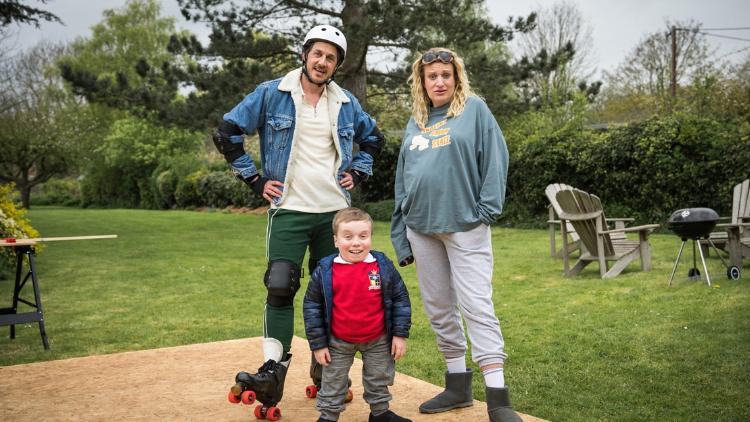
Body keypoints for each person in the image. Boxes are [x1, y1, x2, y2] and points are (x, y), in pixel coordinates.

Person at [213, 25, 387, 413]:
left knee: (333, 294)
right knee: (281, 286)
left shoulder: (344, 103)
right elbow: (227, 134)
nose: (322, 62)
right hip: (289, 209)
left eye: (331, 58)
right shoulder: (271, 93)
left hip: (333, 214)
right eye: (318, 54)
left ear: (336, 65)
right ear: (305, 54)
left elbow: (374, 139)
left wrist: (357, 172)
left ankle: (327, 372)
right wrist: (255, 180)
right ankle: (273, 372)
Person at [390, 47, 522, 422]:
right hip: (421, 229)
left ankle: (498, 398)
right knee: (438, 309)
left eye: (445, 75)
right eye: (432, 76)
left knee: (477, 305)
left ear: (456, 77)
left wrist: (486, 211)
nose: (439, 81)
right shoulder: (416, 120)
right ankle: (456, 386)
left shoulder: (474, 110)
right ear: (422, 81)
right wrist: (402, 234)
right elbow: (404, 179)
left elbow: (497, 156)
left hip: (465, 226)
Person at [304, 207, 412, 422]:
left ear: (371, 237)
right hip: (338, 342)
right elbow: (312, 308)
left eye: (363, 236)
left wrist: (399, 334)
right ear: (335, 240)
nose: (356, 243)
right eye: (348, 237)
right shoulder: (325, 270)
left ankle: (380, 413)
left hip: (379, 339)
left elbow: (400, 299)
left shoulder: (383, 267)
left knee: (379, 378)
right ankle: (328, 416)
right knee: (333, 382)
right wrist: (318, 344)